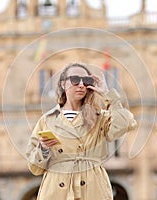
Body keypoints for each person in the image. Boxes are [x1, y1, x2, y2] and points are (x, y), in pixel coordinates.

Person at [25, 62, 137, 200]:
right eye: (75, 80)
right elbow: (34, 167)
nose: (81, 84)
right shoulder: (47, 119)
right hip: (57, 189)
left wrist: (108, 95)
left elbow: (127, 123)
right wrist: (43, 149)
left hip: (93, 187)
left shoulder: (99, 117)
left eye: (87, 81)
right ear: (63, 84)